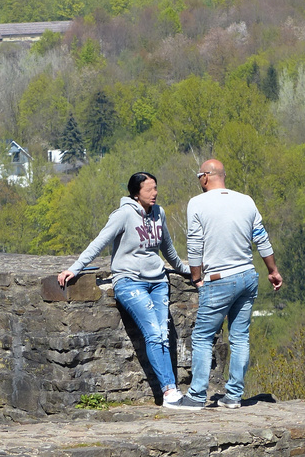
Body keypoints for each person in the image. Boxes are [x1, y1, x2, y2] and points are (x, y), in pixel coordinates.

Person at [57, 172, 189, 406]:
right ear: (136, 193)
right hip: (129, 281)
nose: (154, 193)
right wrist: (75, 268)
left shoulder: (159, 213)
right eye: (149, 190)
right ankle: (169, 392)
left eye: (156, 188)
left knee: (163, 332)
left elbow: (167, 248)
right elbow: (100, 241)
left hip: (158, 281)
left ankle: (171, 391)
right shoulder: (124, 214)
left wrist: (185, 269)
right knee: (154, 332)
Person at [164, 159, 282, 410]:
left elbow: (195, 244)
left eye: (199, 177)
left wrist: (196, 276)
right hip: (248, 276)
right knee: (240, 337)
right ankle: (233, 396)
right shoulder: (246, 200)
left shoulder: (198, 203)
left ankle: (196, 397)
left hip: (219, 279)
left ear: (206, 177)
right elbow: (261, 238)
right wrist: (272, 270)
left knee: (203, 337)